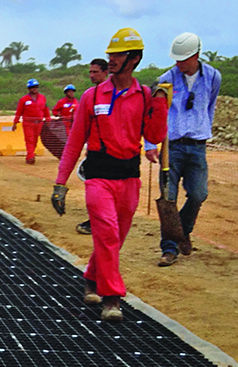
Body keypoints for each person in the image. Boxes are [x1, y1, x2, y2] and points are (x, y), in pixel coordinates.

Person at [51, 27, 167, 321]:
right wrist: (60, 183)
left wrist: (160, 105)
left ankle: (91, 276)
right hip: (99, 177)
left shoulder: (143, 95)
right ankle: (112, 298)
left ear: (134, 59)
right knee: (108, 234)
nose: (111, 60)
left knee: (115, 237)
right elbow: (75, 141)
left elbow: (154, 134)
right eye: (110, 55)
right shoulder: (92, 97)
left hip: (129, 178)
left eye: (118, 55)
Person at [145, 32, 222, 267]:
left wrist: (204, 132)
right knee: (168, 198)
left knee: (199, 194)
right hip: (172, 147)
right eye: (176, 60)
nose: (179, 64)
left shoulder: (212, 77)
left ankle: (182, 234)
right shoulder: (165, 80)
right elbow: (153, 114)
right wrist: (150, 145)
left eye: (183, 60)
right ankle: (169, 249)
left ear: (196, 55)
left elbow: (210, 106)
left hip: (197, 146)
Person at [75, 58, 112, 236]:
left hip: (114, 154)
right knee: (95, 190)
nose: (91, 75)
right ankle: (95, 221)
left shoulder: (115, 94)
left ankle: (102, 222)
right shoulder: (90, 95)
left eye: (95, 72)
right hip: (96, 152)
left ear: (106, 72)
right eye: (90, 72)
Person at [12, 79, 50, 164]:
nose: (35, 89)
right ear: (29, 89)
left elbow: (45, 109)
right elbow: (19, 112)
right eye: (32, 87)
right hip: (28, 123)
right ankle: (30, 157)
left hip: (39, 123)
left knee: (35, 140)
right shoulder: (24, 100)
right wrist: (15, 123)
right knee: (30, 140)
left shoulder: (42, 98)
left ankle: (30, 155)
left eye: (36, 87)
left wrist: (48, 119)